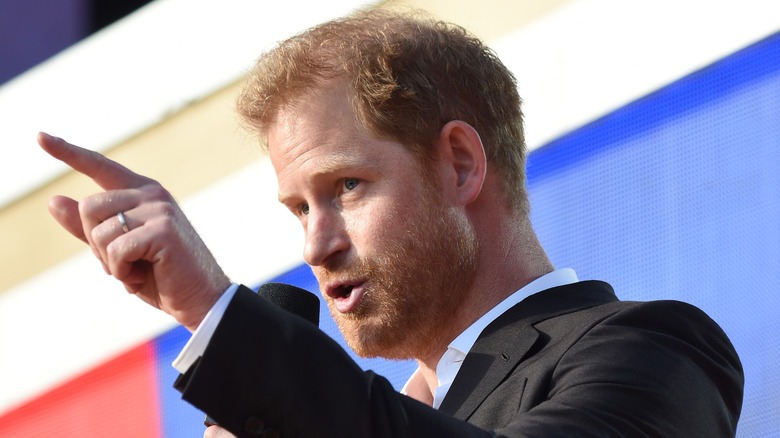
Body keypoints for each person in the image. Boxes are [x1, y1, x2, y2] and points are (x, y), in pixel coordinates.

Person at [38, 8, 743, 438]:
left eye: (347, 186)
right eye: (299, 208)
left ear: (461, 165)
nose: (318, 244)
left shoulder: (654, 348)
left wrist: (215, 314)